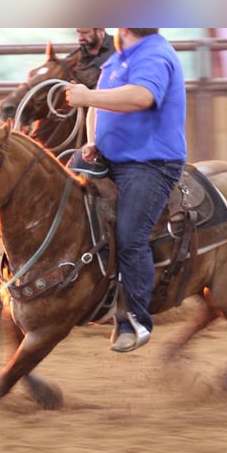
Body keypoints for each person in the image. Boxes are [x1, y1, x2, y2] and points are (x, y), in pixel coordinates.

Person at [65, 28, 187, 353]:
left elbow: (142, 97)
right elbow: (98, 105)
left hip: (150, 163)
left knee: (131, 235)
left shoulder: (154, 54)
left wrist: (88, 96)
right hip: (113, 158)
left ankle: (135, 319)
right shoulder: (118, 60)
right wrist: (92, 140)